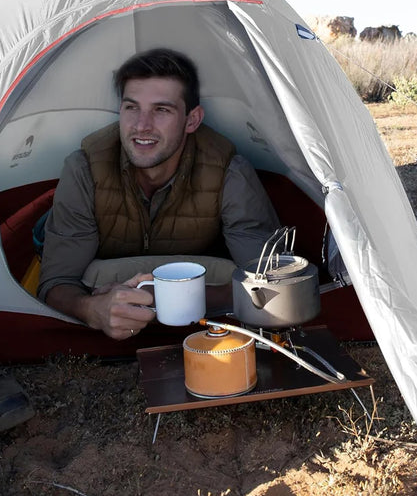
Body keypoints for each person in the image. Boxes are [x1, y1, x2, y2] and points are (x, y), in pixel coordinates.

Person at [37, 48, 280, 340]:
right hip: (98, 276)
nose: (141, 125)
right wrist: (91, 308)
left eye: (161, 110)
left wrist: (163, 297)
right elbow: (55, 282)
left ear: (192, 120)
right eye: (131, 108)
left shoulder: (229, 172)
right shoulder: (84, 168)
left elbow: (268, 282)